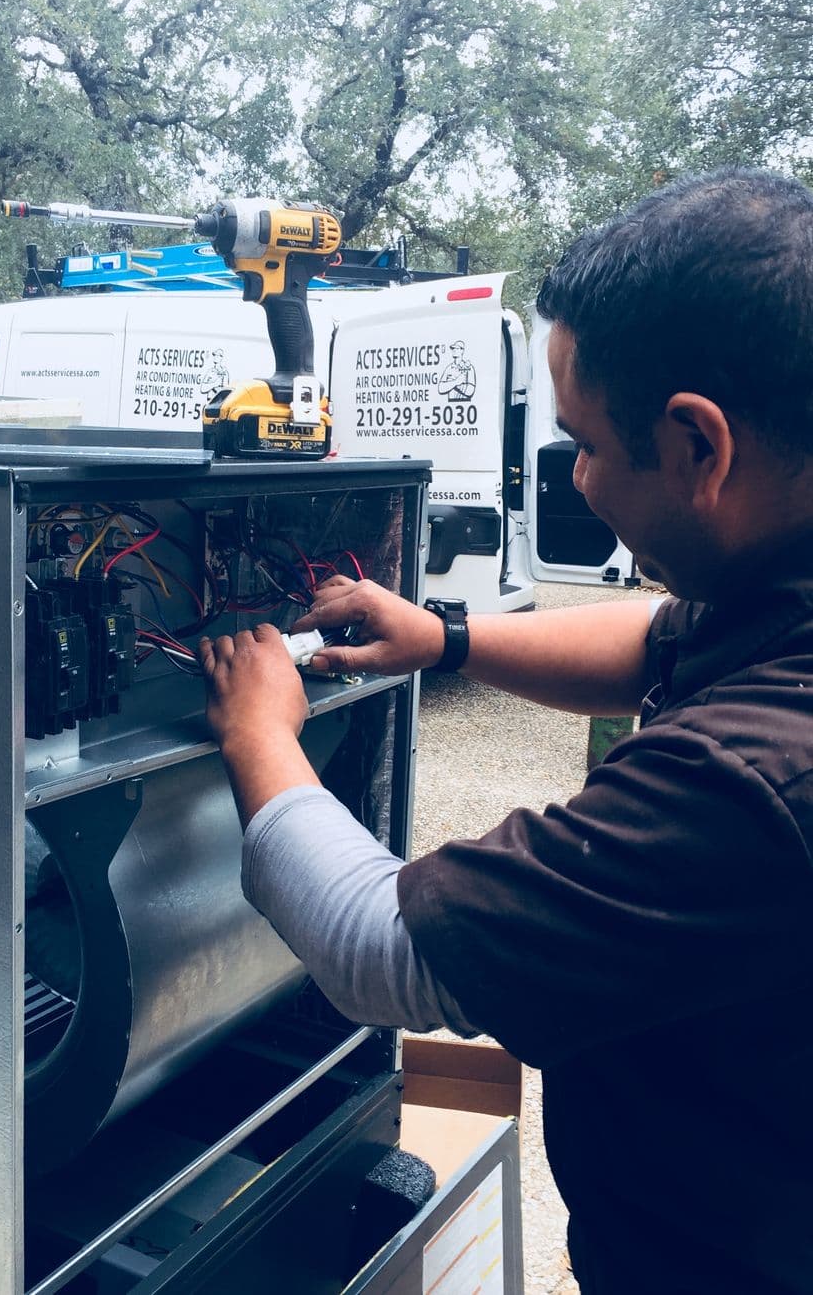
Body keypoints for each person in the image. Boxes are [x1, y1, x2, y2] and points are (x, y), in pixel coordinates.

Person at [199, 168, 813, 1294]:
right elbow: (661, 638)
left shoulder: (751, 780)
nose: (576, 476)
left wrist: (258, 730)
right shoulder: (780, 587)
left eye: (581, 445)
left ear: (697, 444)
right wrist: (444, 636)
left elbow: (382, 953)